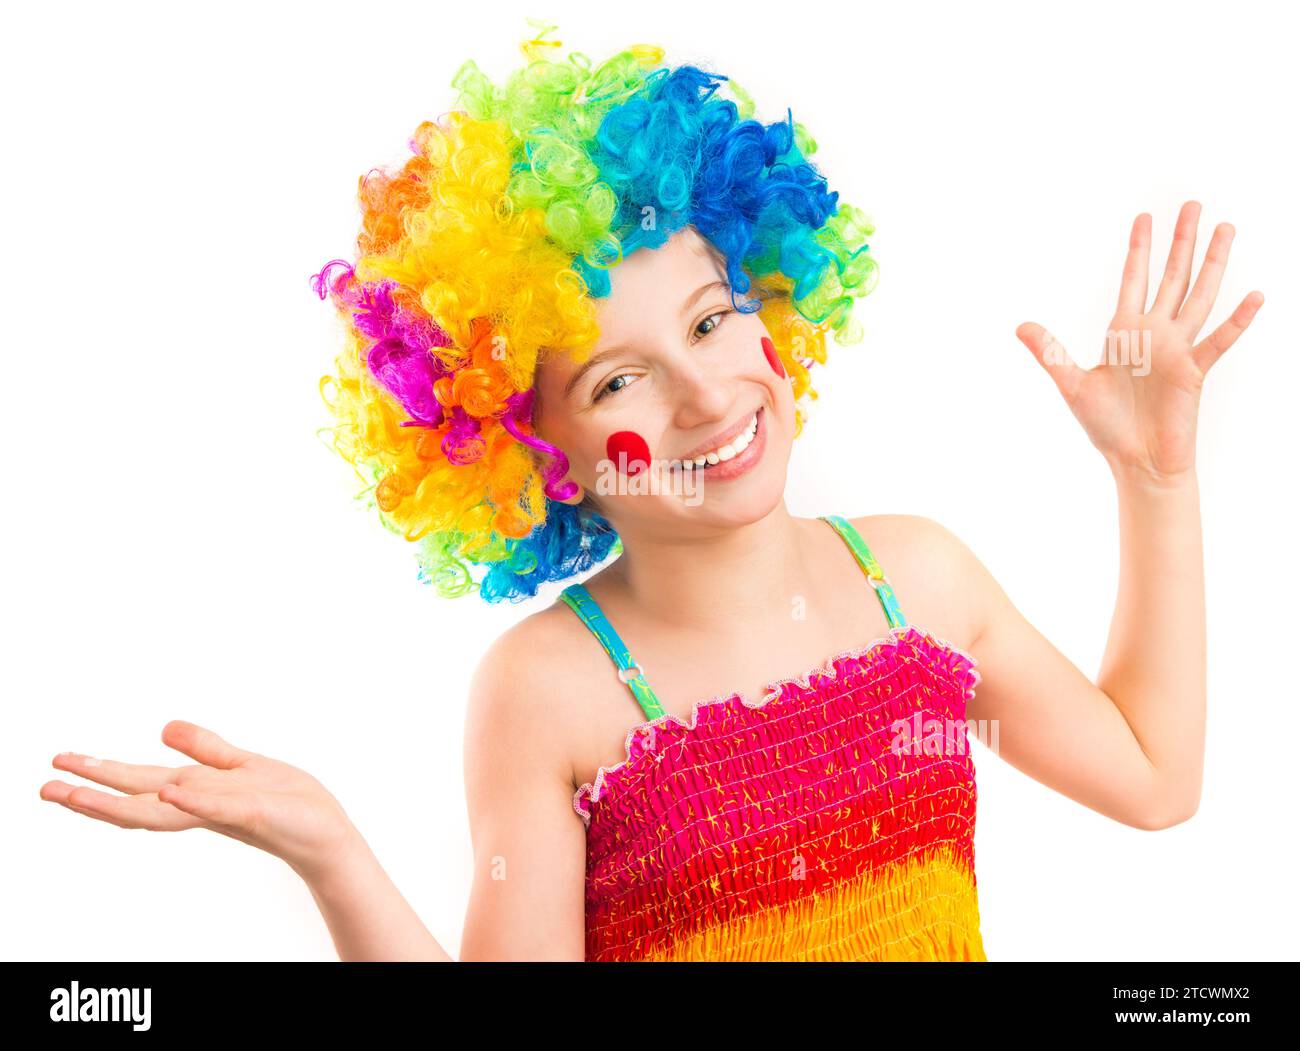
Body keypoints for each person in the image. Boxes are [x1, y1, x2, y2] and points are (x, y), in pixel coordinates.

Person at [40, 24, 1264, 962]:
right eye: (621, 376)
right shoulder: (550, 690)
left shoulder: (918, 582)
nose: (704, 393)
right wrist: (331, 853)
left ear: (773, 305)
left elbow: (1154, 778)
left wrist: (1152, 478)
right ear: (530, 447)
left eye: (712, 317)